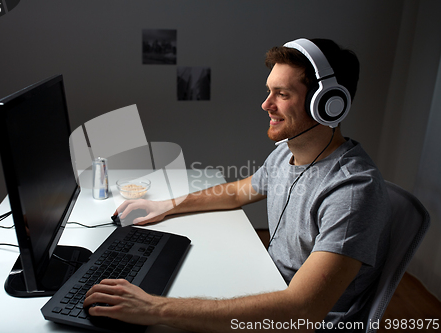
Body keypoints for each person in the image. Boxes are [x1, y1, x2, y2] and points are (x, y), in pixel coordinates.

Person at [83, 38, 391, 332]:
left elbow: (301, 313)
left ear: (328, 104)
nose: (265, 104)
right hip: (271, 290)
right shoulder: (288, 152)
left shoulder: (351, 191)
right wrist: (167, 205)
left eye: (282, 95)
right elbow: (237, 191)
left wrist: (154, 309)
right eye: (269, 91)